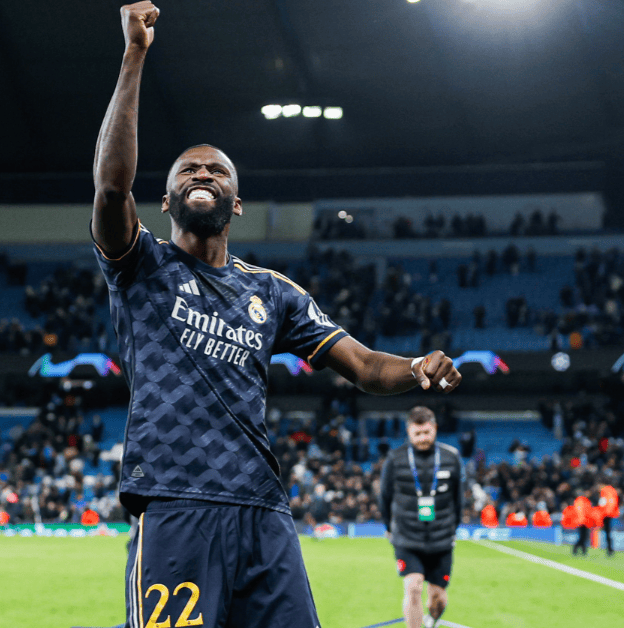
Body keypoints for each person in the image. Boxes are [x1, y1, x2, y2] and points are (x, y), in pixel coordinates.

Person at [91, 4, 462, 627]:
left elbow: (366, 367)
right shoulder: (141, 265)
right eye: (188, 170)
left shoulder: (272, 291)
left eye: (217, 171)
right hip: (176, 503)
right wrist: (134, 55)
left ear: (237, 203)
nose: (202, 173)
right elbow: (109, 187)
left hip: (264, 511)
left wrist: (417, 368)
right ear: (166, 201)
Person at [379, 406, 464, 628]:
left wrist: (453, 529)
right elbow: (384, 498)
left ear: (435, 428)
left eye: (427, 432)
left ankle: (432, 621)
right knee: (413, 587)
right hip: (407, 537)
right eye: (417, 433)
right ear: (409, 431)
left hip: (442, 539)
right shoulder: (395, 459)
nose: (423, 438)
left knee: (438, 599)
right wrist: (389, 527)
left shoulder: (451, 457)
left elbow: (458, 499)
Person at [598, 483, 620, 556]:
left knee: (608, 532)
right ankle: (610, 549)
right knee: (610, 532)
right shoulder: (613, 491)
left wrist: (602, 514)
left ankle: (610, 549)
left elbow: (602, 503)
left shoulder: (604, 491)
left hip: (606, 515)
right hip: (613, 514)